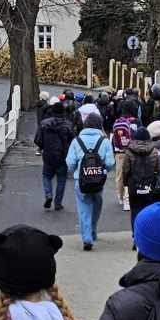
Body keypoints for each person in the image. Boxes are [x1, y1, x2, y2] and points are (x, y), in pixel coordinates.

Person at [65, 105, 114, 251]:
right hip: (98, 180)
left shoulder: (77, 141)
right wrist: (103, 170)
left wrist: (75, 171)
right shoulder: (104, 142)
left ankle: (86, 237)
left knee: (83, 207)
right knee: (97, 204)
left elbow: (70, 162)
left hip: (81, 180)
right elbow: (111, 163)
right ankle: (93, 229)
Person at [122, 118, 160, 222]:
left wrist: (126, 182)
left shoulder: (152, 149)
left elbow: (156, 169)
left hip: (155, 187)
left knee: (151, 213)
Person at [35, 96, 74, 211]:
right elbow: (72, 140)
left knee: (46, 176)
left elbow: (38, 139)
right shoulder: (68, 125)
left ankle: (48, 194)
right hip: (63, 155)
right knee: (61, 179)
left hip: (48, 154)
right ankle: (58, 203)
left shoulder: (44, 124)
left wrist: (43, 147)